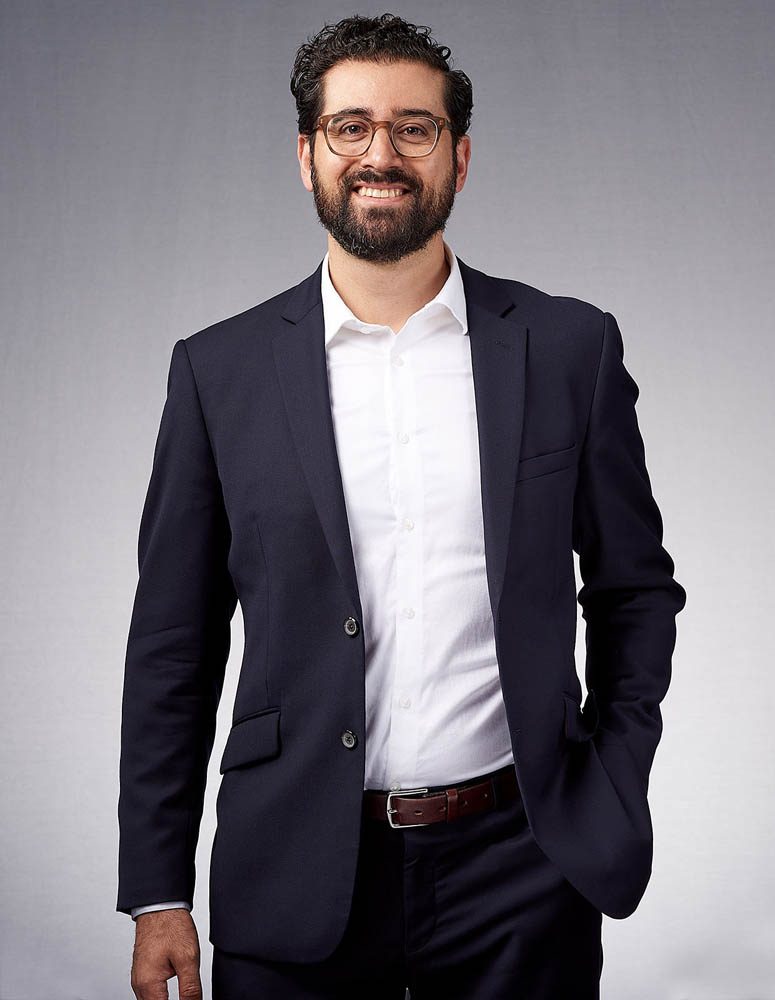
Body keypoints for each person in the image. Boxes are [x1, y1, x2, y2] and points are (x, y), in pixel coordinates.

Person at [117, 13, 686, 999]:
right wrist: (155, 887)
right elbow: (173, 642)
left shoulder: (565, 349)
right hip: (292, 864)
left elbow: (634, 591)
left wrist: (610, 779)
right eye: (349, 128)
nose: (379, 154)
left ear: (458, 156)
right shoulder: (219, 373)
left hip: (521, 869)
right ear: (306, 155)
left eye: (412, 128)